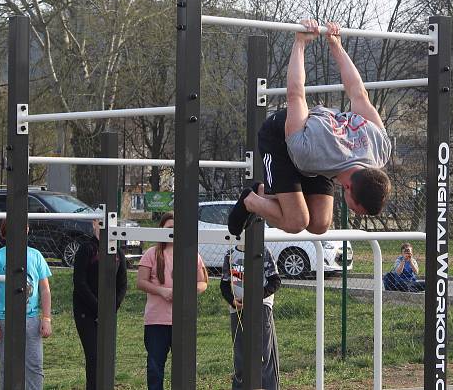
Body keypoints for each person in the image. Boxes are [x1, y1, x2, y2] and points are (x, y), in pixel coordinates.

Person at [229, 20, 392, 236]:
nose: (355, 214)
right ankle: (252, 200)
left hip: (325, 155)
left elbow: (358, 92)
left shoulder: (381, 148)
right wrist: (299, 43)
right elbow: (296, 94)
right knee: (297, 222)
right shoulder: (310, 151)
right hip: (284, 138)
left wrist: (336, 45)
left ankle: (270, 194)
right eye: (355, 209)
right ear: (348, 188)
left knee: (319, 224)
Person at [137, 212, 208, 390]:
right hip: (156, 321)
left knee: (183, 366)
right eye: (169, 229)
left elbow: (202, 282)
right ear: (161, 230)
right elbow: (141, 282)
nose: (172, 232)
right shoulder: (151, 253)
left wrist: (186, 293)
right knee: (155, 366)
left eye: (176, 229)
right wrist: (161, 291)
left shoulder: (191, 254)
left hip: (182, 320)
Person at [0, 219, 52, 390]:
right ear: (6, 232)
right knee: (7, 365)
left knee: (34, 366)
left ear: (28, 230)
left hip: (30, 319)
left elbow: (44, 290)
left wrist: (46, 318)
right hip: (4, 318)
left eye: (24, 228)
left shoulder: (35, 255)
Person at [73, 219, 128, 390]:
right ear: (94, 224)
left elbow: (122, 284)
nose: (104, 227)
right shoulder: (87, 249)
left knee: (107, 356)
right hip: (86, 311)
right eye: (101, 223)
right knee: (94, 356)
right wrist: (99, 309)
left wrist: (111, 309)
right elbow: (80, 283)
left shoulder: (118, 252)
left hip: (108, 313)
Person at [220, 243, 281, 390]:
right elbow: (224, 284)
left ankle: (266, 386)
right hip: (238, 310)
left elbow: (275, 281)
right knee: (240, 353)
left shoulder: (263, 251)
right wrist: (233, 301)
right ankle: (241, 385)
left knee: (263, 353)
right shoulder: (230, 255)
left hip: (261, 307)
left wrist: (255, 297)